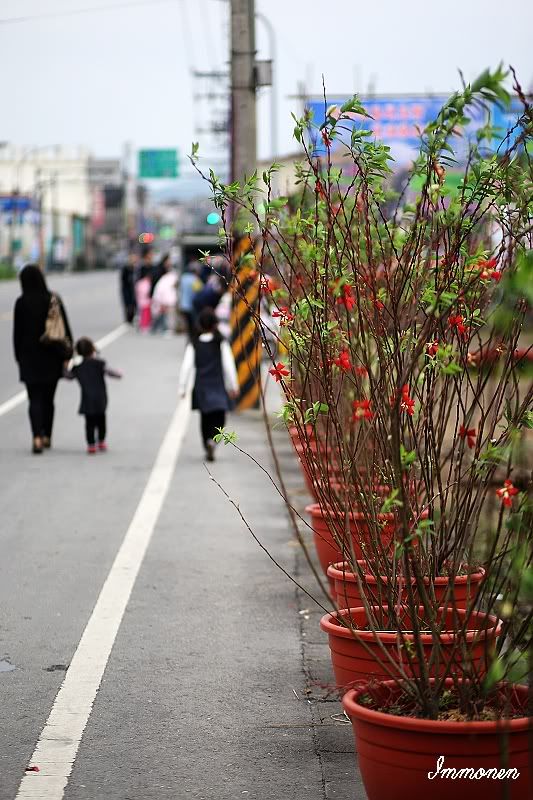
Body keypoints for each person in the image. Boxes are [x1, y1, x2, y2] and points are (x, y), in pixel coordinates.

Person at [13, 264, 73, 454]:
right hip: (52, 356)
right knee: (48, 399)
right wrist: (68, 354)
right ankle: (47, 435)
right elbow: (65, 328)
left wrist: (18, 357)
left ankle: (36, 437)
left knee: (34, 399)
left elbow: (17, 334)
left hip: (29, 358)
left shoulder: (21, 302)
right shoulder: (53, 299)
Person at [178, 307, 239, 462]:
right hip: (218, 386)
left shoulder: (194, 343)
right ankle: (213, 441)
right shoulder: (220, 342)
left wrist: (182, 388)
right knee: (220, 417)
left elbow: (186, 366)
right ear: (215, 324)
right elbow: (229, 366)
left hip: (201, 387)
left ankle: (207, 442)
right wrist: (234, 386)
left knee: (205, 417)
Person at [65, 337, 122, 454]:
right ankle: (101, 440)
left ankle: (91, 444)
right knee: (101, 420)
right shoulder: (99, 363)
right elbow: (112, 373)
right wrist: (118, 374)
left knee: (89, 422)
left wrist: (65, 366)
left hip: (87, 398)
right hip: (100, 397)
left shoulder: (78, 367)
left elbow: (69, 376)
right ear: (92, 349)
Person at [151, 254, 177, 334]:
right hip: (163, 296)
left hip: (166, 297)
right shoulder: (161, 272)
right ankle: (161, 327)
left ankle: (163, 327)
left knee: (165, 314)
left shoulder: (169, 273)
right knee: (162, 313)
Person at [179, 261, 203, 340]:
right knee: (194, 324)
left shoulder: (183, 278)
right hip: (192, 306)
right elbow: (200, 291)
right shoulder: (196, 280)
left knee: (188, 324)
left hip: (183, 304)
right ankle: (194, 339)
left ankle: (189, 338)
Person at [120, 251, 138, 324]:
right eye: (132, 258)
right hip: (127, 290)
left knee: (134, 306)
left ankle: (132, 318)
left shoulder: (137, 268)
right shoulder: (126, 268)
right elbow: (123, 281)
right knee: (128, 306)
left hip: (135, 290)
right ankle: (128, 320)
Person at [135, 266, 152, 332]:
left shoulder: (139, 283)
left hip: (140, 301)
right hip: (146, 301)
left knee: (141, 314)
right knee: (145, 315)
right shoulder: (146, 283)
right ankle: (144, 326)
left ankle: (141, 325)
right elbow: (146, 292)